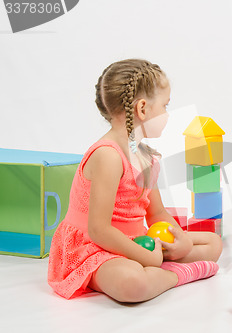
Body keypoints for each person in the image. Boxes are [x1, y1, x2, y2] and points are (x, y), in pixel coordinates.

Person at [48, 59, 222, 302]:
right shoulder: (108, 155)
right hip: (94, 246)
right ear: (142, 109)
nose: (167, 114)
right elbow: (99, 230)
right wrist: (148, 257)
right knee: (132, 284)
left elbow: (157, 213)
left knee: (212, 243)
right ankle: (178, 276)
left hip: (135, 240)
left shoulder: (145, 156)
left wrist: (178, 239)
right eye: (165, 105)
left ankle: (158, 270)